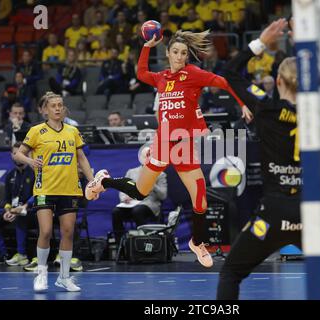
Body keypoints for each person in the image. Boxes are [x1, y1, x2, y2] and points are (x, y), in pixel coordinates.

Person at [85, 29, 252, 268]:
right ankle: (104, 181)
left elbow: (224, 82)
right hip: (163, 143)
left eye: (184, 53)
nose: (180, 56)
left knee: (200, 198)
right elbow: (141, 72)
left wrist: (243, 103)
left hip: (183, 143)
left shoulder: (193, 74)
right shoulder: (161, 77)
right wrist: (146, 46)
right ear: (168, 53)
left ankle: (198, 242)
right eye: (175, 52)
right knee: (140, 193)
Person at [216, 19, 320, 300]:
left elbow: (230, 73)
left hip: (273, 213)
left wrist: (260, 43)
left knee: (231, 273)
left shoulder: (265, 107)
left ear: (277, 81)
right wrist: (308, 45)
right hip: (311, 213)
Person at [14, 92, 94, 292]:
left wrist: (92, 181)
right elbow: (18, 153)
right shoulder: (36, 131)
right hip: (45, 188)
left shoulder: (72, 131)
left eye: (60, 105)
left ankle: (64, 277)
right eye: (53, 106)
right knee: (46, 231)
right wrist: (30, 161)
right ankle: (41, 273)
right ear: (45, 110)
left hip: (69, 188)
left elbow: (82, 158)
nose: (58, 108)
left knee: (67, 232)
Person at [0, 142, 36, 266]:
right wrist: (8, 211)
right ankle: (4, 254)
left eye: (21, 154)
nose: (18, 156)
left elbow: (37, 195)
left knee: (21, 217)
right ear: (12, 155)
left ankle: (22, 255)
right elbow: (7, 198)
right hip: (13, 211)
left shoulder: (34, 173)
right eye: (15, 153)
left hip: (31, 211)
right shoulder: (10, 175)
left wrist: (23, 207)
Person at [112, 146, 168, 243]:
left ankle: (142, 243)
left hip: (149, 204)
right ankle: (119, 243)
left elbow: (163, 196)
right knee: (116, 212)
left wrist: (153, 184)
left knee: (137, 211)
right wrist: (124, 198)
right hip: (131, 203)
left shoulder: (160, 174)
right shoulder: (131, 172)